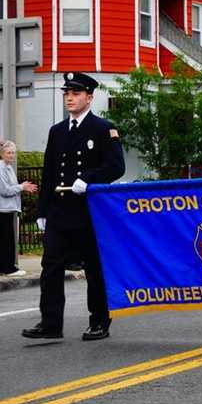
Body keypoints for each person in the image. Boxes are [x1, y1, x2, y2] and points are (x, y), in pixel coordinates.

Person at [22, 72, 125, 341]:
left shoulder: (103, 129)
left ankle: (99, 320)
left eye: (76, 93)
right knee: (51, 266)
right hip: (59, 210)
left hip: (88, 211)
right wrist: (42, 211)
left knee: (93, 267)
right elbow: (49, 173)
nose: (70, 97)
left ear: (89, 98)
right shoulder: (56, 131)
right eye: (67, 93)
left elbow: (116, 166)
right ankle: (51, 322)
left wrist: (88, 179)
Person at [0, 140, 38, 276]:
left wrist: (21, 187)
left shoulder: (7, 166)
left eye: (13, 153)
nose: (12, 155)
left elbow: (9, 188)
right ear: (2, 154)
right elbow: (4, 190)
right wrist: (22, 187)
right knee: (7, 239)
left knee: (4, 239)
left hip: (7, 208)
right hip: (1, 208)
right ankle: (9, 268)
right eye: (9, 153)